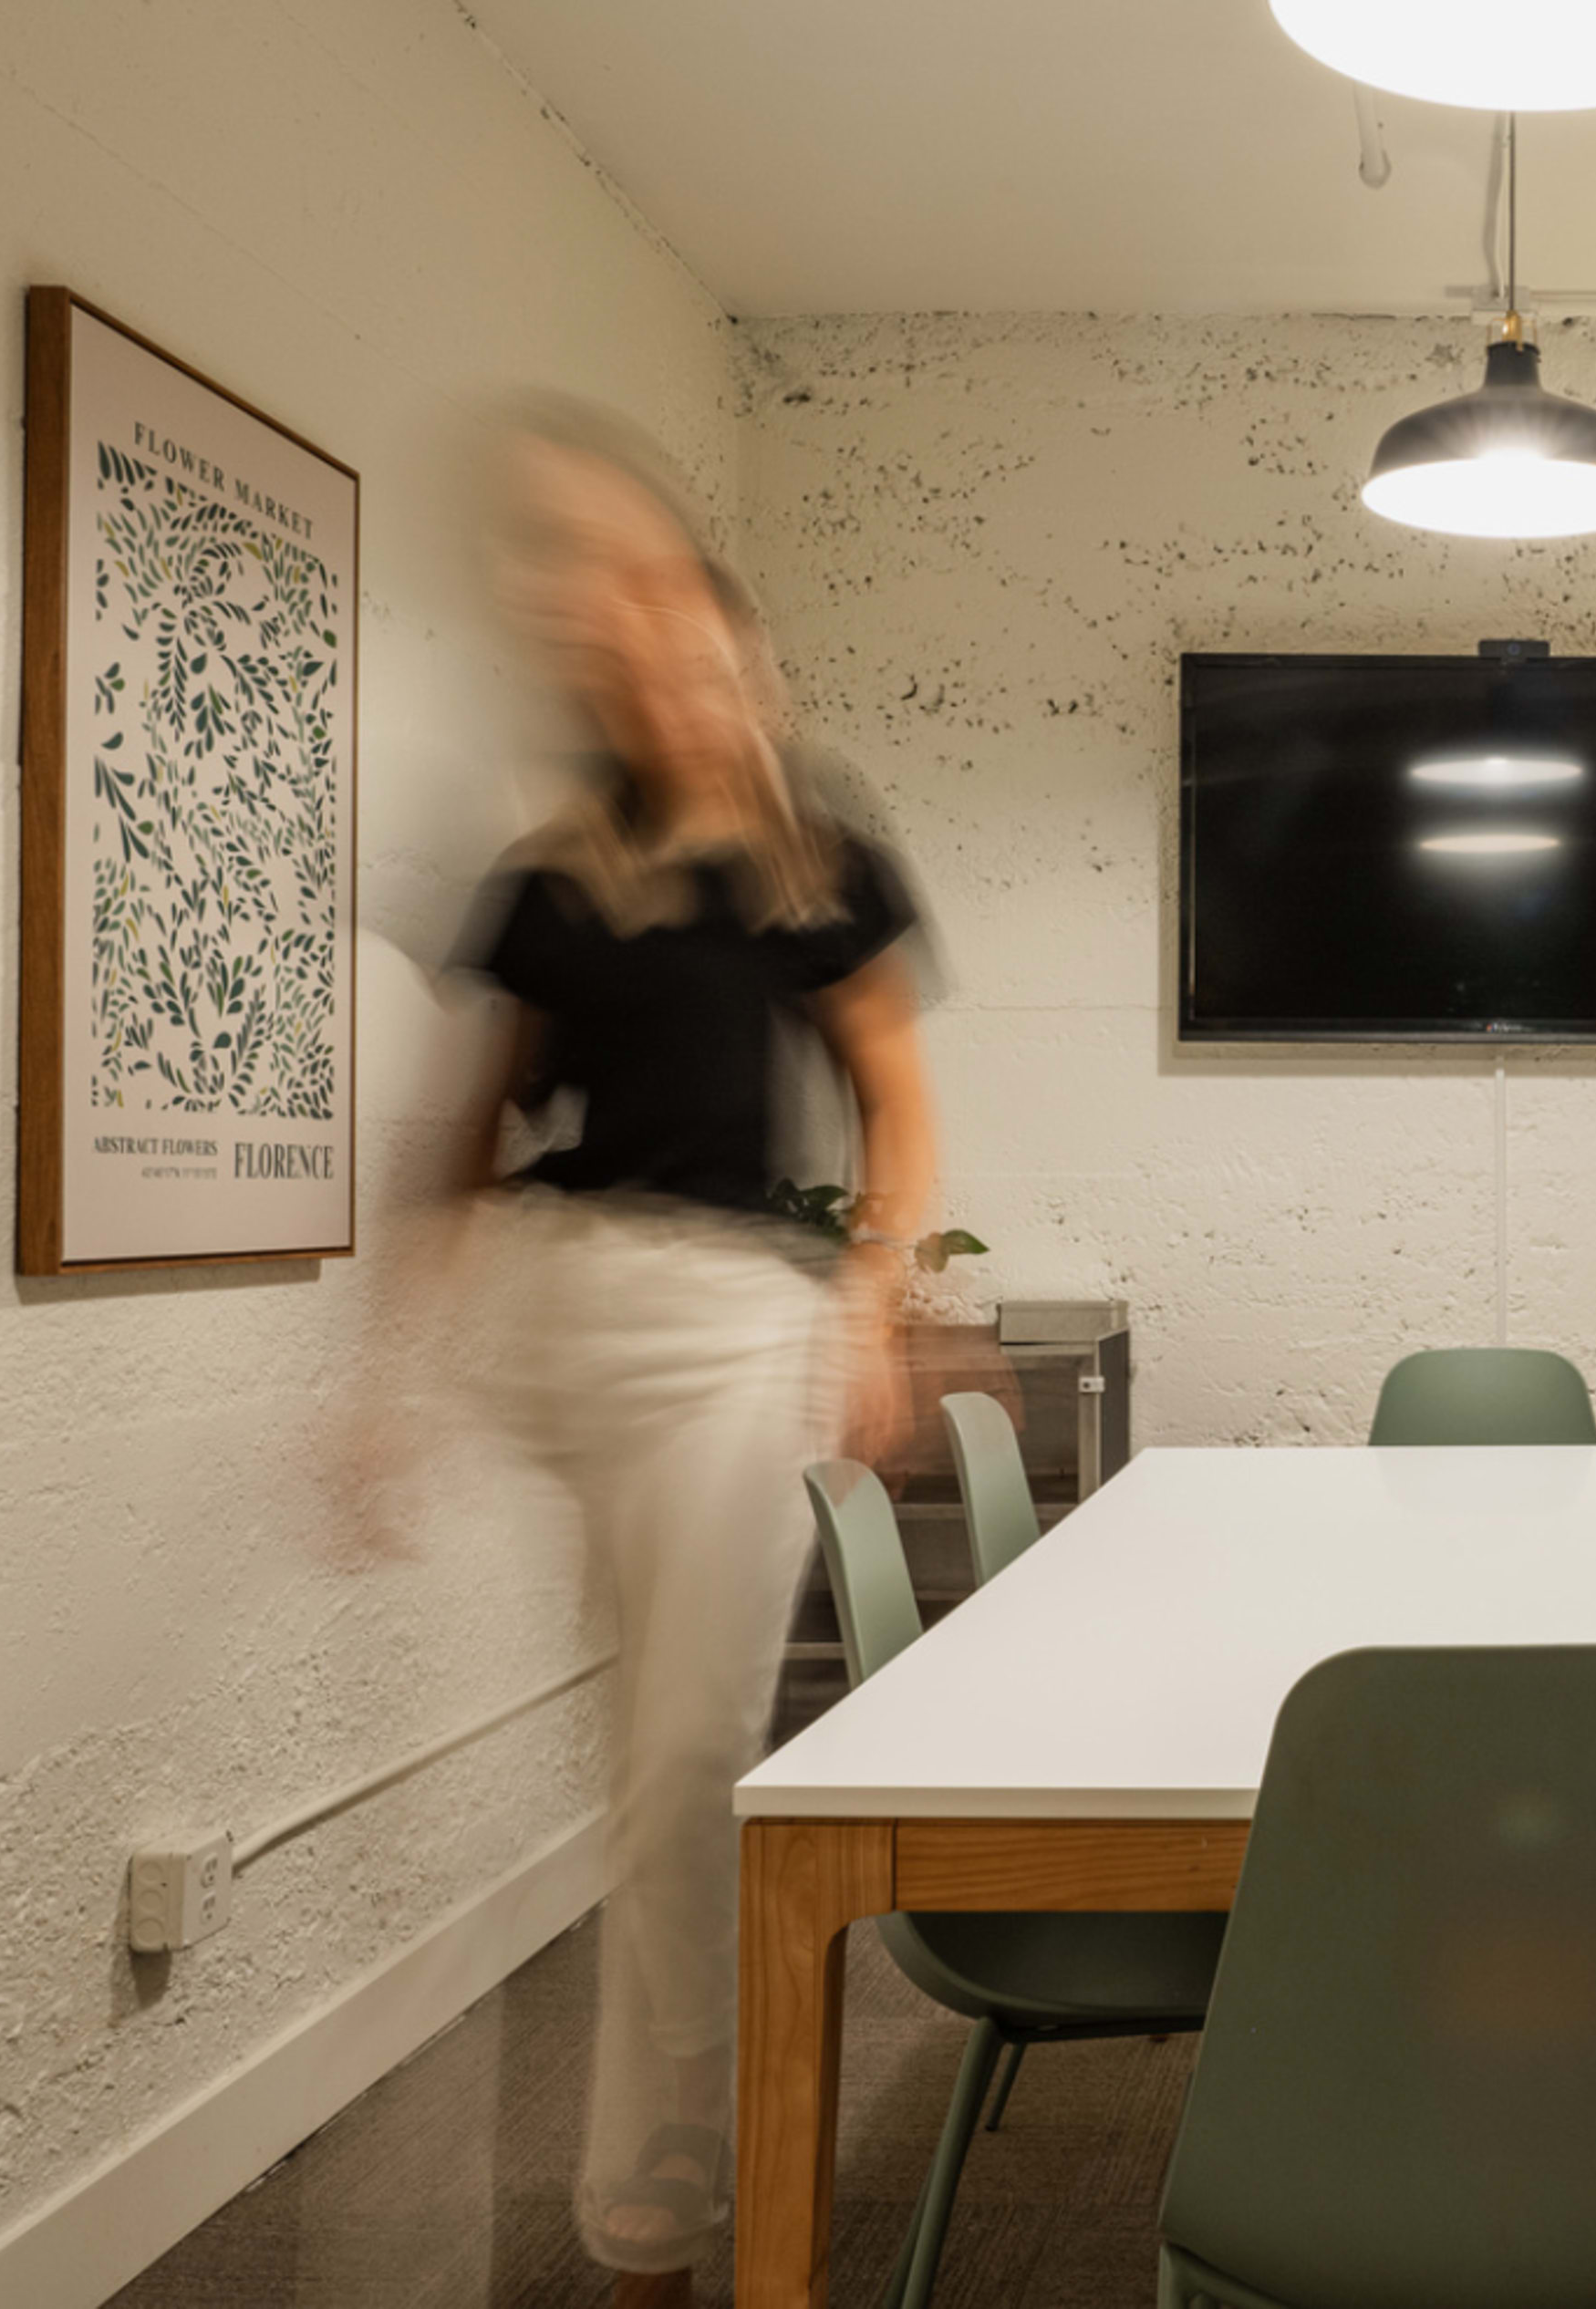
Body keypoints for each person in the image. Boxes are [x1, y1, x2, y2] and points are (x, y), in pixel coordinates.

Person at [428, 408, 936, 2304]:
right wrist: (381, 1388)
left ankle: (663, 2192)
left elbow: (896, 1098)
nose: (676, 673)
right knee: (644, 1751)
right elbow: (466, 1136)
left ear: (749, 669)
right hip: (567, 1312)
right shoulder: (554, 870)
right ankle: (662, 2164)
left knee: (688, 1759)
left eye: (708, 648)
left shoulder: (816, 862)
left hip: (739, 1321)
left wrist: (873, 1301)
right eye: (634, 639)